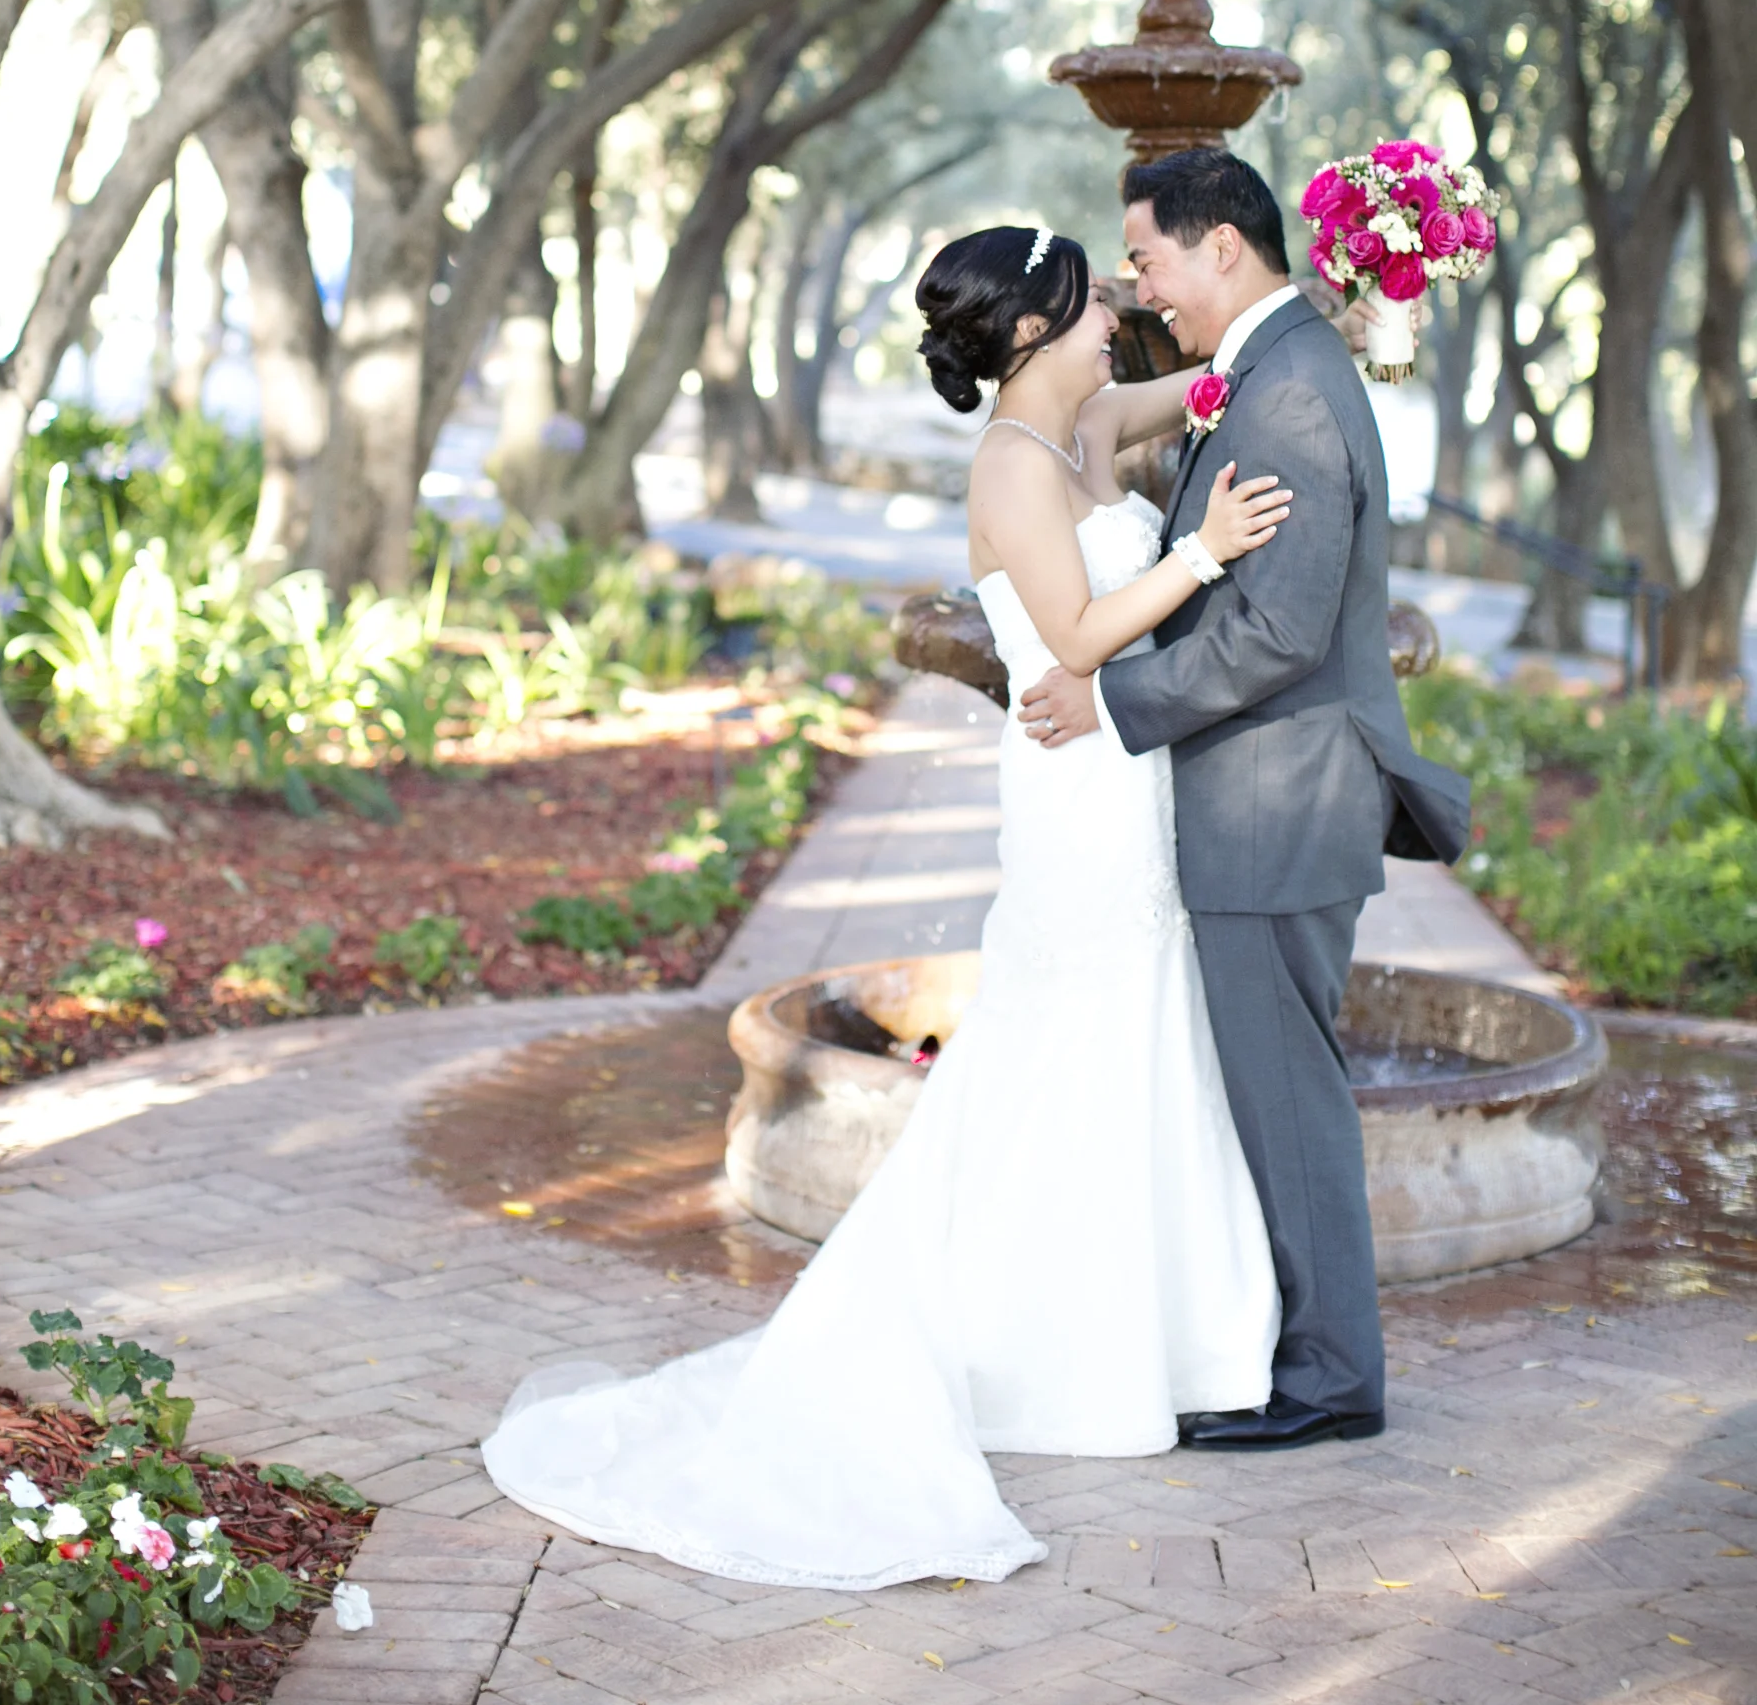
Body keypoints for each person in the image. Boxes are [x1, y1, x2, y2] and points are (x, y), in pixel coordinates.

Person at [482, 223, 1291, 1588]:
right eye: (1092, 304)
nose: (1116, 319)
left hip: (1134, 780)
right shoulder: (1012, 466)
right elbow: (1078, 637)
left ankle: (1160, 1339)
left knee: (1135, 1037)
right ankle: (1046, 1352)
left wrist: (1321, 310)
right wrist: (1204, 551)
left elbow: (1202, 385)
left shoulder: (1089, 421)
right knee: (1064, 1040)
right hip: (1078, 796)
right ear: (1029, 332)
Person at [1020, 149, 1470, 1452]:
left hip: (1280, 805)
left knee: (1288, 1096)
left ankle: (1331, 1380)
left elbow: (1277, 633)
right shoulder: (1268, 369)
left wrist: (1110, 702)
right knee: (1270, 1092)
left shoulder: (1294, 395)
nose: (1140, 285)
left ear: (1223, 245)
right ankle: (1296, 1350)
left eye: (1148, 257)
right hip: (1262, 799)